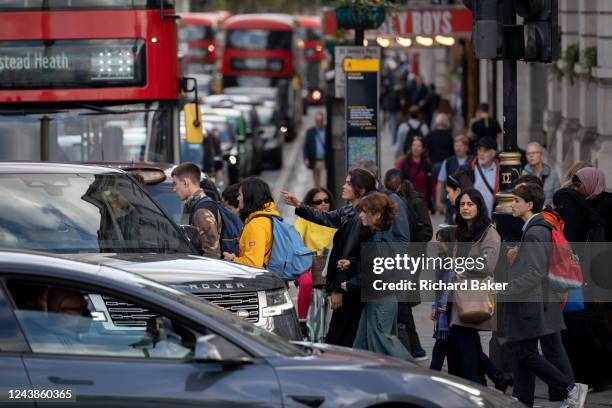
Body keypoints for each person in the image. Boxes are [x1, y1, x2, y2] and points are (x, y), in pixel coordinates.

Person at [504, 183, 588, 408]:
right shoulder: (538, 228)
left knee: (527, 353)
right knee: (524, 352)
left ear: (529, 205)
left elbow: (534, 272)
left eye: (516, 201)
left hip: (532, 304)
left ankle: (570, 388)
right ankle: (522, 399)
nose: (511, 204)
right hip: (538, 302)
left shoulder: (535, 232)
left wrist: (505, 288)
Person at [283, 169, 377, 347]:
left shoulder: (359, 217)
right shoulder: (350, 210)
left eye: (349, 183)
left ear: (361, 189)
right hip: (349, 284)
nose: (343, 186)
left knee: (339, 338)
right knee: (346, 336)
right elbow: (325, 218)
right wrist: (299, 205)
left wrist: (337, 290)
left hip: (349, 287)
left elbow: (346, 255)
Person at [338, 192, 414, 361]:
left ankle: (413, 373)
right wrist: (351, 263)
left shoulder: (378, 242)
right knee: (362, 348)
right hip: (380, 300)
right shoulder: (384, 237)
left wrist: (349, 284)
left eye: (365, 211)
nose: (361, 215)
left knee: (385, 346)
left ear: (377, 215)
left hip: (380, 301)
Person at [449, 188, 508, 390]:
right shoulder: (462, 230)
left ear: (478, 207)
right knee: (467, 341)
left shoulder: (489, 232)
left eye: (470, 204)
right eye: (462, 205)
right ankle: (495, 376)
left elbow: (488, 264)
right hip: (461, 295)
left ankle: (476, 386)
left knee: (464, 342)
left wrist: (462, 266)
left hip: (475, 294)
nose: (465, 208)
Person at [293, 188, 337, 323]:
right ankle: (302, 321)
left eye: (326, 200)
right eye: (318, 202)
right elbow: (296, 238)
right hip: (306, 264)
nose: (323, 204)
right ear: (311, 206)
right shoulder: (304, 219)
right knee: (306, 283)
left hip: (329, 265)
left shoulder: (336, 219)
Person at [223, 177, 278, 268]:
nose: (238, 198)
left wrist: (233, 259)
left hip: (262, 279)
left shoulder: (256, 225)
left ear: (249, 196)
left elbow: (253, 264)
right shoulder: (269, 216)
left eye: (240, 194)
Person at [171, 162, 221, 258]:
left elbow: (212, 254)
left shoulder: (201, 211)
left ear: (186, 182)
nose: (174, 189)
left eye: (175, 184)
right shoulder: (195, 206)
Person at [460, 137, 500, 218]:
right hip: (471, 219)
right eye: (479, 150)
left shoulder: (501, 171)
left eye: (485, 151)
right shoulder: (466, 169)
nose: (481, 154)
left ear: (493, 153)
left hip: (491, 220)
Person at [435, 135, 472, 222]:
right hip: (451, 203)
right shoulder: (448, 162)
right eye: (456, 146)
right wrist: (438, 201)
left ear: (466, 147)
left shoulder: (472, 161)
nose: (458, 148)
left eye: (461, 146)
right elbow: (440, 182)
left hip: (469, 201)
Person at [395, 137, 435, 211]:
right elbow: (395, 178)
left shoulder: (427, 165)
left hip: (422, 202)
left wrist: (435, 201)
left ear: (423, 149)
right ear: (411, 147)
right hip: (407, 201)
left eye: (418, 146)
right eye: (414, 145)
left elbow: (432, 184)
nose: (416, 148)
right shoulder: (403, 163)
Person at [523, 142, 560, 206]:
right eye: (528, 153)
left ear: (541, 155)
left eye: (534, 153)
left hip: (549, 212)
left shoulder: (553, 174)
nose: (531, 156)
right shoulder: (523, 175)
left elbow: (558, 197)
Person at [303, 111, 327, 188]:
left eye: (320, 120)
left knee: (323, 184)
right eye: (317, 120)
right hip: (314, 161)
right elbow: (306, 146)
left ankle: (323, 198)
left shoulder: (327, 131)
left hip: (324, 162)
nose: (318, 122)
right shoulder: (310, 132)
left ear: (323, 120)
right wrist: (306, 158)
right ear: (315, 121)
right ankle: (318, 199)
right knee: (316, 184)